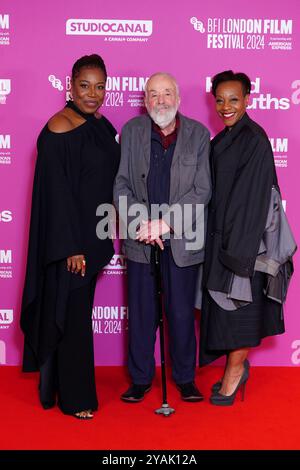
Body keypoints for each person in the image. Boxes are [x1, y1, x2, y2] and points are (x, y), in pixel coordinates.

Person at [20, 54, 120, 419]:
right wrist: (71, 248)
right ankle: (76, 399)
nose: (93, 94)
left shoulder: (97, 123)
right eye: (84, 85)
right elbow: (56, 196)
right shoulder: (58, 128)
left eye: (100, 86)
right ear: (70, 85)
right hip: (72, 244)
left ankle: (59, 385)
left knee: (75, 313)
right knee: (74, 319)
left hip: (94, 238)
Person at [199, 70, 296, 405]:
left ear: (248, 100)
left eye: (234, 99)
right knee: (225, 314)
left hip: (244, 246)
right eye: (220, 100)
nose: (226, 106)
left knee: (238, 311)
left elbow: (252, 201)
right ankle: (235, 368)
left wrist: (235, 257)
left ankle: (235, 373)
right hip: (222, 241)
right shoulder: (223, 139)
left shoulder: (254, 139)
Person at [113, 72, 211, 403]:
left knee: (181, 312)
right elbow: (121, 184)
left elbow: (202, 191)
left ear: (178, 98)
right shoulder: (131, 131)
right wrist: (145, 225)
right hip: (141, 239)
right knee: (141, 312)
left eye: (167, 93)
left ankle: (185, 378)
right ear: (144, 101)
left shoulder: (198, 134)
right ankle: (140, 378)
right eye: (153, 95)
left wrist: (165, 224)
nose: (161, 101)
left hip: (182, 240)